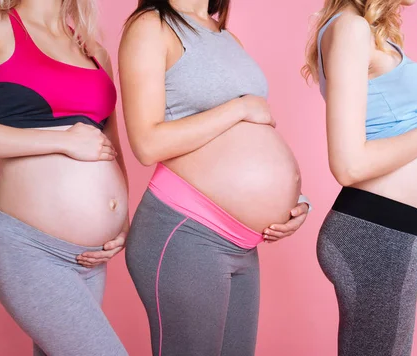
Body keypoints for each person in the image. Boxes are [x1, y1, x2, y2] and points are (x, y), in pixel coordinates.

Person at [0, 1, 128, 355]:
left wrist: (121, 220)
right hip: (32, 251)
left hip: (91, 259)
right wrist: (62, 139)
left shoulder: (93, 49)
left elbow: (110, 147)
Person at [119, 0, 311, 355]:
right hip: (185, 232)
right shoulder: (152, 26)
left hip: (242, 243)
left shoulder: (226, 37)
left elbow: (253, 133)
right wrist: (238, 107)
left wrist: (288, 201)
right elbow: (146, 144)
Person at [302, 1, 417, 355]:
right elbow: (349, 165)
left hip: (396, 229)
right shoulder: (350, 27)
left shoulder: (365, 28)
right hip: (374, 235)